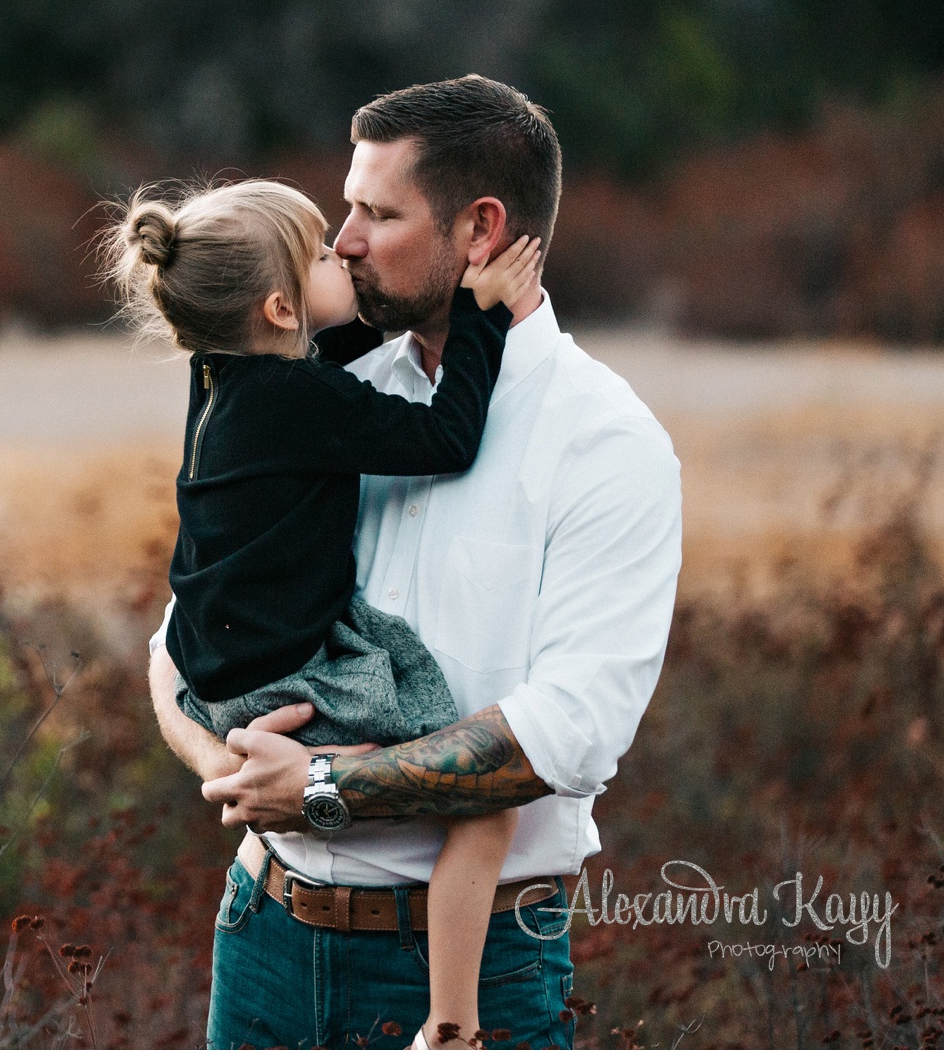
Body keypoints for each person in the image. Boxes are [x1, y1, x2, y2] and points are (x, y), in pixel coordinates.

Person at [147, 75, 683, 1050]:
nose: (345, 239)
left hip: (478, 973)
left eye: (375, 213)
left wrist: (319, 785)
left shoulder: (605, 443)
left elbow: (557, 738)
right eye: (341, 212)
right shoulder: (327, 383)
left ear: (480, 231)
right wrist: (229, 765)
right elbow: (184, 637)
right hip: (263, 933)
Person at [107, 177, 545, 1050]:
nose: (343, 249)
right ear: (278, 307)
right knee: (485, 798)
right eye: (318, 250)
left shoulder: (225, 374)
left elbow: (333, 341)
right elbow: (443, 440)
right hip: (285, 675)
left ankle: (324, 782)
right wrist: (482, 316)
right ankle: (451, 1026)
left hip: (213, 668)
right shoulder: (303, 402)